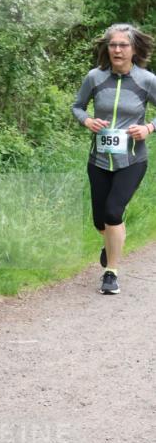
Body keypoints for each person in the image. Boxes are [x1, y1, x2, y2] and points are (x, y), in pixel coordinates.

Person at [72, 23, 156, 294]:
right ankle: (111, 241)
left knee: (113, 212)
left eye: (123, 45)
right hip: (98, 160)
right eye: (113, 45)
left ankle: (111, 273)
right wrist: (87, 121)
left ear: (134, 50)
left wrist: (148, 128)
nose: (117, 50)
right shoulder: (95, 78)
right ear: (106, 48)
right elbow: (77, 107)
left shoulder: (146, 80)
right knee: (100, 221)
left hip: (132, 160)